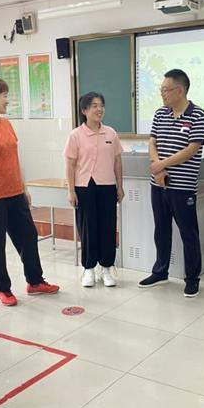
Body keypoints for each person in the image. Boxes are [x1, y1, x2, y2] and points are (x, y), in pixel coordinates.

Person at [0, 76, 59, 307]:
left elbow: (14, 159)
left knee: (28, 237)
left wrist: (23, 187)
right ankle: (3, 289)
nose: (8, 100)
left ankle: (35, 282)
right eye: (5, 96)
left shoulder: (7, 124)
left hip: (15, 193)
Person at [139, 69, 204, 297]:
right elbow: (152, 141)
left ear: (180, 90)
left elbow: (192, 149)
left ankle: (192, 278)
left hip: (183, 186)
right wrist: (157, 166)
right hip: (158, 184)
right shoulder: (160, 114)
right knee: (161, 229)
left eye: (166, 90)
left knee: (188, 232)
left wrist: (162, 164)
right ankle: (160, 271)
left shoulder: (198, 114)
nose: (162, 94)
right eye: (161, 90)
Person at [64, 92, 124, 287]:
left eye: (101, 105)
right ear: (84, 110)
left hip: (107, 185)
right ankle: (89, 269)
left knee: (108, 227)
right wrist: (71, 190)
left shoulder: (111, 133)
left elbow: (117, 161)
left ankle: (106, 268)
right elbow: (70, 165)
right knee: (88, 228)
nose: (99, 109)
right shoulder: (76, 135)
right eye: (94, 106)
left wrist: (120, 186)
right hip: (84, 187)